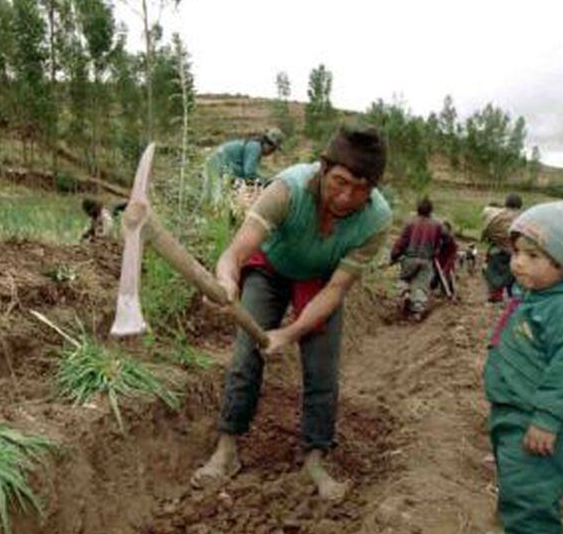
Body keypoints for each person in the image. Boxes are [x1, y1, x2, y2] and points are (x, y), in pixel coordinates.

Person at [191, 124, 391, 500]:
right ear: (323, 168)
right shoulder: (286, 190)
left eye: (361, 190)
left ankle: (315, 457)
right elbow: (235, 253)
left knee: (322, 369)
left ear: (374, 189)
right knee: (244, 357)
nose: (347, 197)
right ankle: (227, 447)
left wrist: (290, 333)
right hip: (271, 269)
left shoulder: (376, 221)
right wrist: (227, 282)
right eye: (340, 182)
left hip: (320, 281)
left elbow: (335, 290)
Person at [483, 199, 563, 534]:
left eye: (533, 256)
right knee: (515, 483)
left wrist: (548, 419)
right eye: (518, 251)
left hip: (536, 420)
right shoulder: (539, 294)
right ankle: (514, 532)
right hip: (513, 410)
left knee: (532, 497)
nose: (518, 262)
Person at [390, 197, 446, 319]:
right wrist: (436, 250)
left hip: (409, 258)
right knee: (421, 285)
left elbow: (401, 242)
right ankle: (417, 311)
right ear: (431, 210)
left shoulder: (410, 223)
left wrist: (394, 255)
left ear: (418, 209)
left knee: (404, 278)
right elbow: (443, 240)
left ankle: (405, 293)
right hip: (426, 260)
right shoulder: (437, 224)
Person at [202, 127, 285, 209]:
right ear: (269, 145)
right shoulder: (255, 148)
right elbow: (249, 173)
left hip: (217, 163)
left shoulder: (253, 146)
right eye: (273, 150)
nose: (272, 153)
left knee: (211, 199)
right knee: (216, 202)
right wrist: (266, 183)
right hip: (217, 164)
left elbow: (243, 172)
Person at [482, 193, 523, 303]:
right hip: (516, 252)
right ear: (520, 205)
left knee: (494, 273)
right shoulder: (523, 217)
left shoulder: (494, 216)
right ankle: (514, 298)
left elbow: (485, 233)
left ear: (506, 203)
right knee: (515, 276)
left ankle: (495, 296)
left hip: (497, 250)